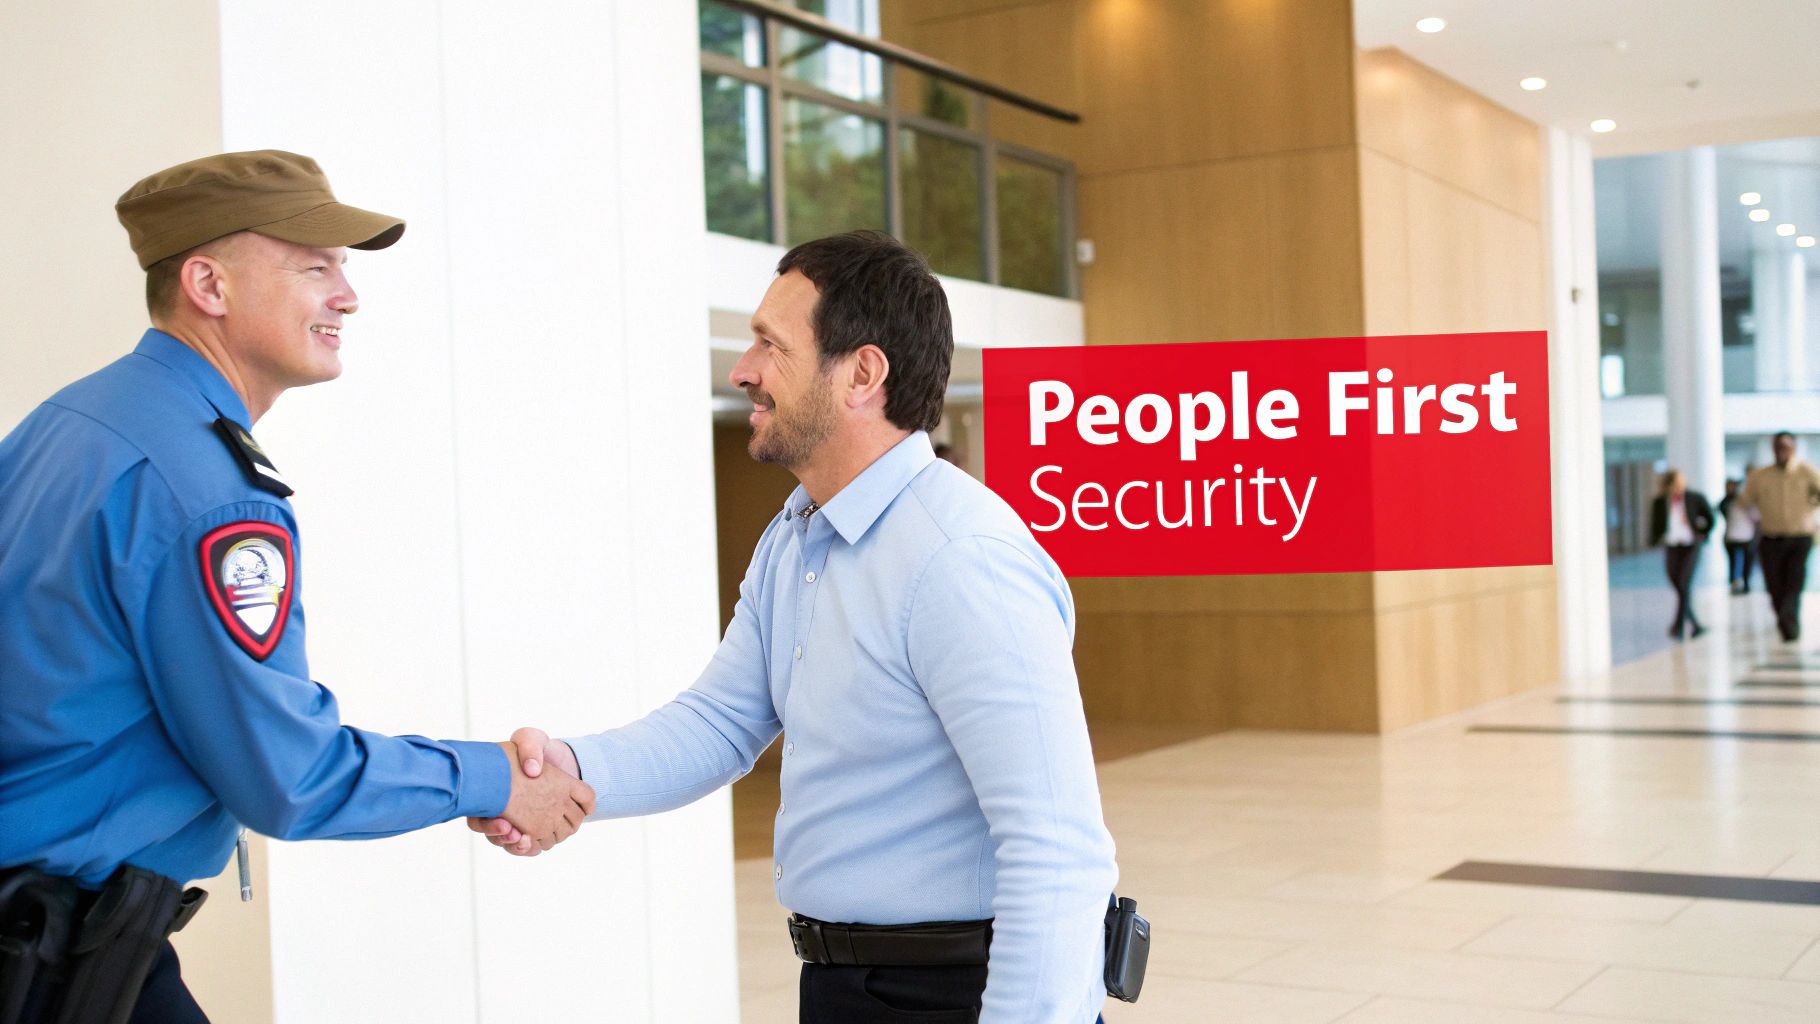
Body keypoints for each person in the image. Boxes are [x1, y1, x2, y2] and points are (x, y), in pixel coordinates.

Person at [0, 151, 594, 1024]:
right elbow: (288, 775)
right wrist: (494, 779)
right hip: (45, 954)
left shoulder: (66, 425)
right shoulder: (210, 492)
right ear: (208, 284)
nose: (347, 296)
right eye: (315, 267)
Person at [472, 232, 1118, 1023]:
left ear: (863, 374)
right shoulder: (796, 538)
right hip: (843, 987)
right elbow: (719, 723)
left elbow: (1057, 849)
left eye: (770, 345)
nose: (742, 369)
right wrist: (564, 771)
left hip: (957, 995)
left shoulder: (961, 560)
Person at [1739, 432, 1820, 642]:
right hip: (1771, 537)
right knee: (1774, 586)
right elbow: (1744, 502)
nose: (1782, 450)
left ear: (1793, 448)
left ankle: (1790, 625)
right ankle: (1785, 621)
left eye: (1786, 446)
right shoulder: (1760, 475)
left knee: (1794, 583)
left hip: (1800, 536)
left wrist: (1811, 506)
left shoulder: (1807, 471)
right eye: (1778, 446)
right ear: (1773, 449)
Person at [1649, 469, 1714, 640]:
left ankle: (1677, 627)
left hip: (1691, 546)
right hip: (1672, 546)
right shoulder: (1660, 502)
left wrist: (1702, 532)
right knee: (1676, 583)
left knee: (1684, 584)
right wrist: (1654, 540)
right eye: (1677, 481)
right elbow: (1655, 524)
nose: (1680, 484)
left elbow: (1710, 518)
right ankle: (1696, 625)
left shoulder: (1694, 498)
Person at [1718, 476, 1758, 594]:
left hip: (1747, 536)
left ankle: (1746, 583)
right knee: (1733, 562)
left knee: (1747, 562)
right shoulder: (1726, 502)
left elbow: (1756, 516)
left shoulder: (1747, 502)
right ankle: (1734, 582)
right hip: (1732, 536)